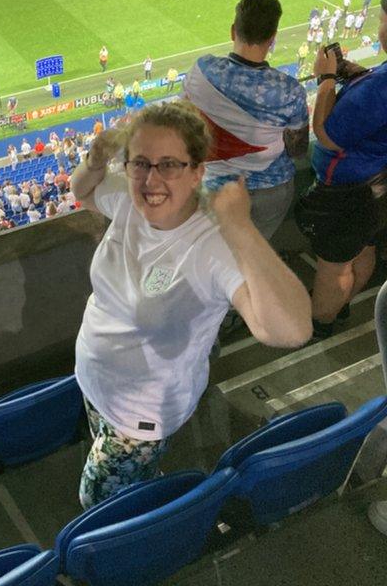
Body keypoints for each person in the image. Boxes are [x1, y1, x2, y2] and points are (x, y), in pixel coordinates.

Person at [70, 102, 311, 509]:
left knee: (94, 502)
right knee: (127, 484)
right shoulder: (130, 201)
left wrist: (240, 227)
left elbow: (292, 330)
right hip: (96, 383)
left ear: (197, 170)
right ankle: (145, 488)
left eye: (169, 165)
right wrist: (94, 161)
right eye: (140, 163)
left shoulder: (212, 243)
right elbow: (84, 192)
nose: (151, 179)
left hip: (139, 415)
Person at [295, 0, 387, 343]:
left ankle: (321, 324)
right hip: (379, 185)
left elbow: (328, 135)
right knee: (365, 248)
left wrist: (327, 80)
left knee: (334, 266)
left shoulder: (380, 88)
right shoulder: (377, 84)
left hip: (350, 191)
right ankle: (341, 304)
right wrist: (357, 74)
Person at [184, 0, 309, 240]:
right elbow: (298, 150)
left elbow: (184, 124)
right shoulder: (289, 90)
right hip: (271, 191)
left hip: (213, 188)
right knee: (254, 258)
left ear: (233, 31)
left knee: (216, 260)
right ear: (272, 39)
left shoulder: (201, 70)